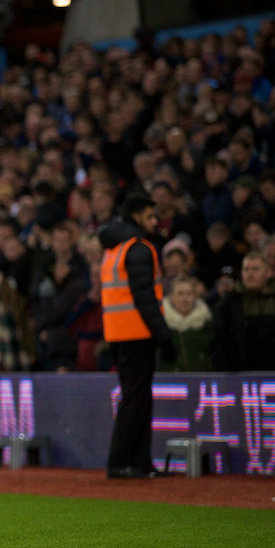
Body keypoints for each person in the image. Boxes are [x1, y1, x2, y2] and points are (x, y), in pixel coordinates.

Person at [98, 193, 177, 479]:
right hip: (137, 332)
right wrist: (163, 335)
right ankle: (120, 461)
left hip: (119, 332)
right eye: (150, 216)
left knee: (138, 396)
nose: (155, 222)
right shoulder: (138, 248)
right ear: (136, 216)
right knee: (135, 398)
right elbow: (145, 297)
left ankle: (140, 462)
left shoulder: (114, 248)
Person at [208, 252, 275, 372]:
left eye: (255, 269)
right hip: (239, 376)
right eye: (246, 269)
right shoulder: (228, 304)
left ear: (268, 273)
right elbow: (218, 341)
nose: (250, 274)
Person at [156, 274, 213, 372]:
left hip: (201, 381)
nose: (185, 298)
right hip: (171, 384)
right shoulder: (162, 326)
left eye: (189, 293)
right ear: (171, 297)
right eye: (180, 294)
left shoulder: (206, 323)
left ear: (195, 296)